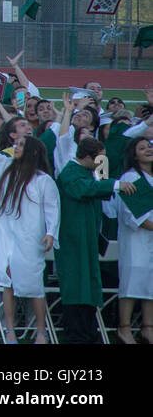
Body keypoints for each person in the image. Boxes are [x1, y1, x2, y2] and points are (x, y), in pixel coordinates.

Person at [0, 132, 58, 344]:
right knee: (7, 282)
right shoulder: (6, 169)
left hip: (30, 237)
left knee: (34, 284)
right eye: (16, 143)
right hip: (6, 236)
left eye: (21, 144)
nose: (16, 147)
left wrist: (50, 232)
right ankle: (9, 329)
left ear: (33, 151)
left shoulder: (43, 180)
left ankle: (41, 331)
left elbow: (52, 209)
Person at [55, 136, 133, 343]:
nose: (101, 163)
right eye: (99, 159)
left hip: (86, 239)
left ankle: (88, 332)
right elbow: (83, 189)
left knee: (87, 285)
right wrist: (115, 184)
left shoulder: (86, 172)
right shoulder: (70, 173)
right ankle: (77, 334)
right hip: (72, 241)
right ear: (87, 157)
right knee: (76, 286)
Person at [113, 138, 153, 344]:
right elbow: (134, 215)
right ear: (134, 154)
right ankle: (124, 328)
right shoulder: (131, 177)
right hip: (135, 241)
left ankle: (147, 327)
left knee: (151, 284)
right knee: (132, 282)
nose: (148, 150)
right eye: (142, 148)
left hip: (151, 241)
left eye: (150, 146)